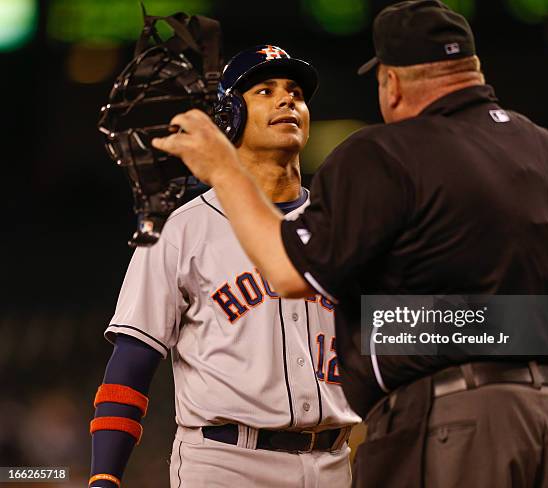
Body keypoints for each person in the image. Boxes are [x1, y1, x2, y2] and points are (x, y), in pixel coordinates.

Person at [152, 1, 548, 486]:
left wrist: (222, 167)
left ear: (392, 81)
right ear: (471, 70)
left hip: (453, 425)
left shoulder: (388, 152)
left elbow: (287, 271)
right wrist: (546, 404)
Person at [88, 45, 360, 488]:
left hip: (334, 461)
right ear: (230, 116)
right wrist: (104, 477)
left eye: (295, 92)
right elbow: (132, 360)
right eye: (265, 91)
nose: (287, 100)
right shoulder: (184, 228)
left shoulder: (343, 224)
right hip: (226, 464)